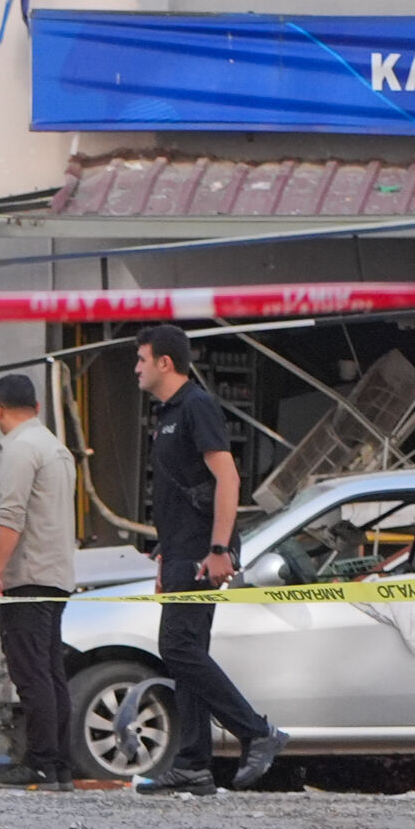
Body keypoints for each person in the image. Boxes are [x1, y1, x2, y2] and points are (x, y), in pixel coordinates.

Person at [131, 326, 288, 793]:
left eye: (141, 359)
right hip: (180, 548)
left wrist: (219, 548)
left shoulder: (196, 406)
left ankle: (257, 732)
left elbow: (227, 477)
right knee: (187, 653)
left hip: (203, 550)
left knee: (177, 648)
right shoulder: (166, 414)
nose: (136, 368)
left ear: (164, 363)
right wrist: (164, 556)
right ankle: (194, 763)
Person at [0, 375, 77, 787]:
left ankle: (40, 760)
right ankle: (59, 763)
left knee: (31, 673)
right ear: (37, 407)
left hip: (28, 575)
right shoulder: (55, 448)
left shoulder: (19, 449)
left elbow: (10, 515)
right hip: (57, 575)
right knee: (51, 671)